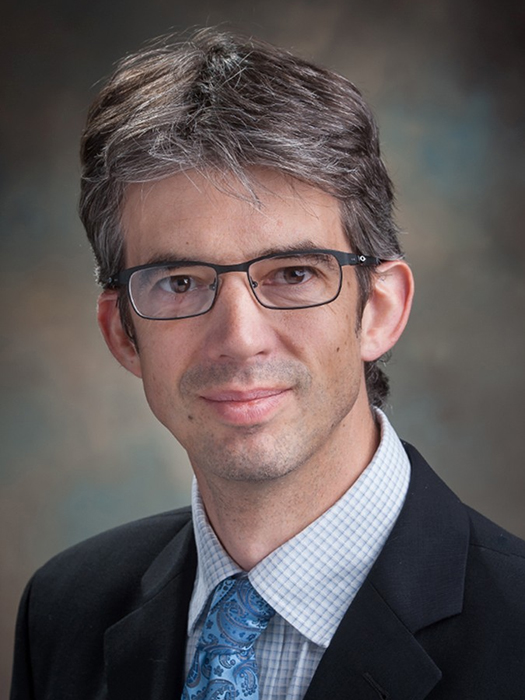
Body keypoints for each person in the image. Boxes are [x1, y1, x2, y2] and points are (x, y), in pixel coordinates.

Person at [10, 27, 525, 700]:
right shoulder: (65, 609)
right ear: (122, 333)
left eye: (292, 273)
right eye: (181, 282)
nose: (240, 338)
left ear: (378, 310)